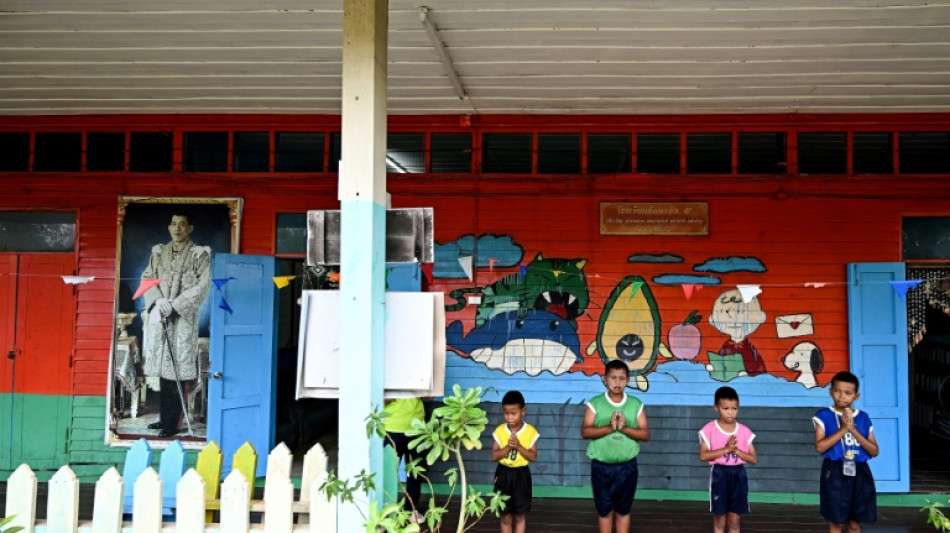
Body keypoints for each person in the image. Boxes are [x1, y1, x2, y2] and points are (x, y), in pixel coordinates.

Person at [141, 212, 211, 437]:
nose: (177, 228)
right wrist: (159, 300)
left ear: (190, 228)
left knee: (178, 371)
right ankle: (164, 419)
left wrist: (176, 304)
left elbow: (203, 285)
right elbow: (148, 277)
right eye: (173, 224)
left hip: (183, 319)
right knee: (164, 371)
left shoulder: (199, 255)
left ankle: (175, 422)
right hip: (161, 316)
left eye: (182, 224)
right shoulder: (159, 253)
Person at [581, 359, 650, 533]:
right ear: (605, 379)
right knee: (604, 511)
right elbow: (585, 432)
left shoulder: (636, 405)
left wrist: (624, 428)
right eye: (613, 377)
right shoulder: (594, 404)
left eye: (621, 378)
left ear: (627, 380)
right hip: (601, 467)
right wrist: (609, 427)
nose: (617, 382)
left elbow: (645, 434)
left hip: (627, 467)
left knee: (623, 510)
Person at [813, 371, 879, 533]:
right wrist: (843, 429)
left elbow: (874, 450)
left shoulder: (863, 418)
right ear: (830, 392)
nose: (842, 396)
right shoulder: (824, 416)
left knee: (855, 522)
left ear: (856, 396)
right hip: (834, 470)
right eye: (837, 391)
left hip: (860, 471)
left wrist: (853, 430)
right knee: (836, 521)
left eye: (848, 393)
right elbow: (820, 447)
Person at [698, 386, 758, 533]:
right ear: (716, 407)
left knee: (735, 519)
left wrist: (736, 450)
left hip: (738, 474)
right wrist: (726, 449)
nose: (730, 412)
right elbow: (703, 455)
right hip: (719, 474)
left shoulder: (744, 431)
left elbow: (753, 459)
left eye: (734, 408)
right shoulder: (709, 429)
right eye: (725, 408)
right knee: (720, 518)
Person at [490, 390, 538, 533]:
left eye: (513, 413)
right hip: (503, 474)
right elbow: (494, 456)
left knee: (519, 515)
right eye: (506, 413)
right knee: (505, 516)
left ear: (523, 411)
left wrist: (518, 446)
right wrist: (508, 447)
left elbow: (533, 457)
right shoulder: (500, 431)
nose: (509, 417)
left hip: (521, 475)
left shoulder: (530, 431)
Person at [384, 397, 426, 521]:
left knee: (415, 470)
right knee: (388, 471)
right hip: (392, 425)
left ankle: (411, 509)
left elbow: (430, 395)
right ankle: (386, 511)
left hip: (417, 425)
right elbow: (381, 397)